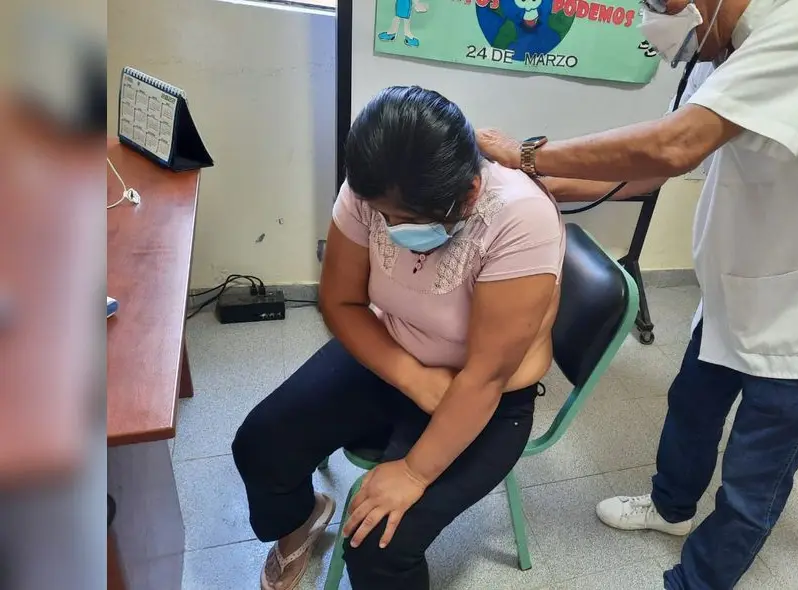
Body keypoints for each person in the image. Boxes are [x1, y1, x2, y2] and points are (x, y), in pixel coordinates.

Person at [476, 0, 798, 588]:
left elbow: (676, 146)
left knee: (755, 476)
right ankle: (671, 509)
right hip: (742, 282)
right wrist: (530, 182)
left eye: (663, 2)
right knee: (691, 408)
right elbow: (651, 171)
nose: (658, 16)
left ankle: (696, 582)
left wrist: (527, 154)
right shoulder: (730, 44)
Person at [232, 86, 565, 590]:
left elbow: (486, 375)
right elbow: (340, 302)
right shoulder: (376, 184)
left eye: (402, 221)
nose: (385, 227)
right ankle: (301, 519)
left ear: (469, 193)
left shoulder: (521, 218)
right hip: (392, 353)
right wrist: (412, 377)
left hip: (486, 396)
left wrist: (413, 473)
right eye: (379, 215)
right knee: (260, 445)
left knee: (377, 547)